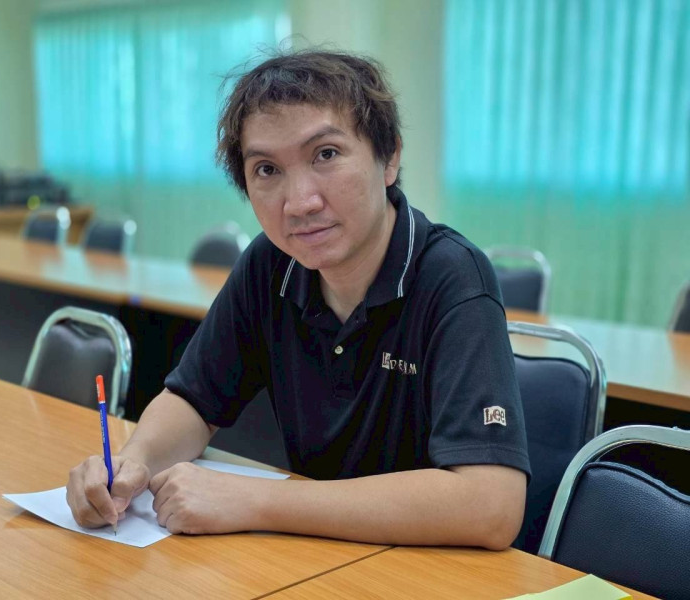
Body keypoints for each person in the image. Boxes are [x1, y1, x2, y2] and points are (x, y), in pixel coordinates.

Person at [67, 49, 529, 549]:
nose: (300, 203)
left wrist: (255, 501)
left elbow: (491, 506)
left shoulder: (452, 276)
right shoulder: (272, 263)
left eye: (326, 155)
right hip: (315, 555)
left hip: (426, 568)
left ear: (389, 157)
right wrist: (131, 465)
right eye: (267, 169)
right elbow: (194, 401)